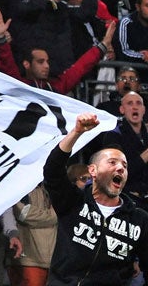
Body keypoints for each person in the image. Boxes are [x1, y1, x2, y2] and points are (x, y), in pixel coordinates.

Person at [43, 113, 148, 283]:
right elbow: (52, 170)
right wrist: (76, 132)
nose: (121, 168)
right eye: (112, 162)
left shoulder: (140, 220)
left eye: (125, 165)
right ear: (93, 171)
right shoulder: (73, 201)